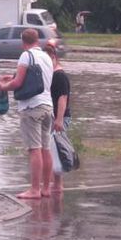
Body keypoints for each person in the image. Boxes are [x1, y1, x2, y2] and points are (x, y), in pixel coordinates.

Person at [0, 28, 54, 199]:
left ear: (23, 42)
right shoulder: (47, 57)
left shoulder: (25, 55)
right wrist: (13, 77)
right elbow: (36, 77)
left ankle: (34, 190)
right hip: (47, 106)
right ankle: (46, 188)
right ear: (37, 40)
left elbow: (18, 83)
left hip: (31, 107)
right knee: (46, 149)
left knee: (34, 149)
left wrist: (3, 86)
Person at [44, 44, 71, 194]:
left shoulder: (59, 75)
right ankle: (55, 185)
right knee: (53, 150)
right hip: (55, 117)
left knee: (56, 151)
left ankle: (57, 185)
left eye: (48, 60)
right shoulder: (52, 74)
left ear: (54, 57)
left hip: (60, 118)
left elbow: (63, 98)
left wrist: (59, 120)